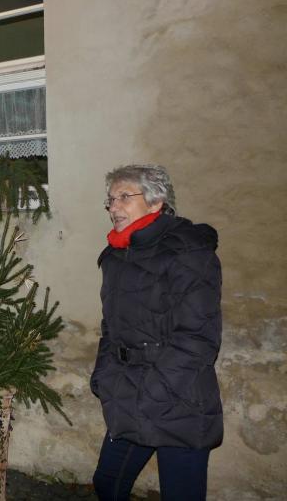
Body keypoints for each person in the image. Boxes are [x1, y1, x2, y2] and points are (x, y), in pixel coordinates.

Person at [89, 164, 223, 500]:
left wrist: (152, 393)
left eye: (124, 197)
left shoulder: (188, 251)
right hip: (128, 392)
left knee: (181, 494)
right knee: (108, 484)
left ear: (155, 201)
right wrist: (103, 375)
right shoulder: (116, 256)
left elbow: (197, 338)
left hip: (179, 399)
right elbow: (111, 327)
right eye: (110, 200)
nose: (113, 207)